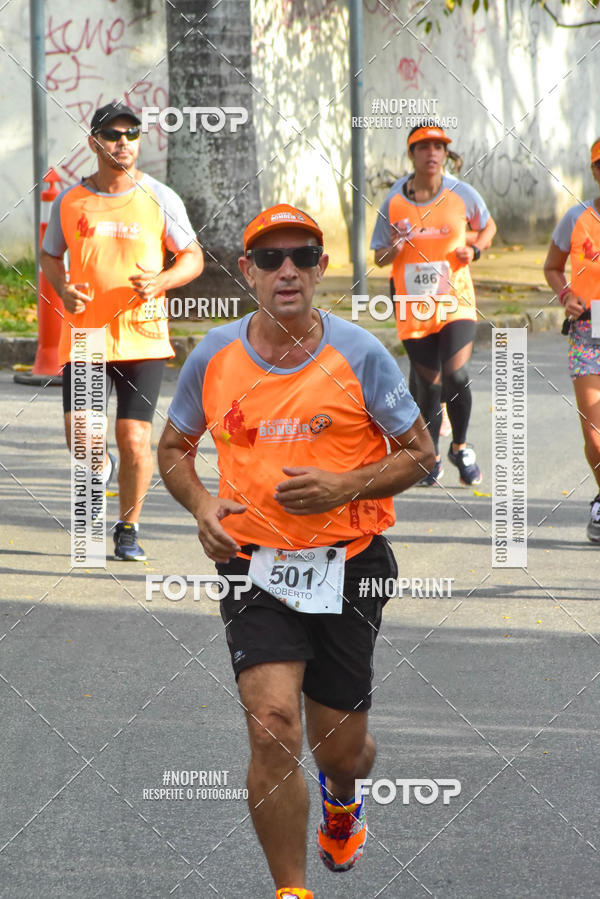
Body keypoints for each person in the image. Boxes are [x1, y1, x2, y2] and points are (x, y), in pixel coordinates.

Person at [157, 203, 435, 898]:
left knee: (341, 749)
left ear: (321, 269)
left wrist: (346, 483)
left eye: (303, 256)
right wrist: (200, 505)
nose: (288, 270)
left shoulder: (361, 354)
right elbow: (173, 448)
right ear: (246, 269)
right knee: (273, 725)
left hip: (351, 562)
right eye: (271, 258)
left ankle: (342, 795)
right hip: (255, 564)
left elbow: (421, 455)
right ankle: (292, 890)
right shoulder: (214, 356)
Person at [41, 102, 204, 560]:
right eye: (113, 135)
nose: (124, 143)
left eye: (132, 134)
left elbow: (192, 258)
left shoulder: (160, 197)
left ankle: (128, 528)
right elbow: (50, 257)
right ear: (94, 143)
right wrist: (64, 289)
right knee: (81, 436)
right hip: (90, 336)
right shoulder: (71, 201)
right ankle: (102, 467)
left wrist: (162, 281)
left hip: (143, 337)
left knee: (135, 438)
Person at [370, 120, 496, 486]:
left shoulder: (462, 194)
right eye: (425, 147)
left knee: (455, 375)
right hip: (413, 305)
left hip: (455, 300)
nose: (433, 153)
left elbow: (487, 227)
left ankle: (459, 446)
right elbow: (379, 257)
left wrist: (474, 248)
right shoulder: (394, 201)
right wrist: (392, 250)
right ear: (412, 154)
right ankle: (432, 456)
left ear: (445, 154)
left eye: (439, 147)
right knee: (428, 387)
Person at [544, 137, 600, 543]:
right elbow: (552, 267)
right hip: (588, 332)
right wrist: (567, 296)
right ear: (595, 171)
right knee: (594, 434)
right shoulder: (576, 219)